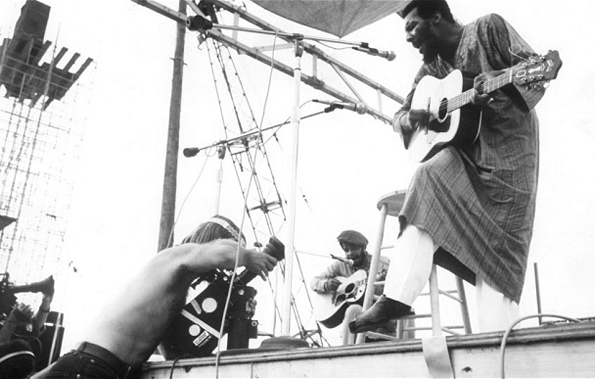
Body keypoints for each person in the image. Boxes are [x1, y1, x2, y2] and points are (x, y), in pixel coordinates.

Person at [350, 0, 540, 334]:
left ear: (436, 17)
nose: (408, 38)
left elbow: (536, 69)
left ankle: (497, 346)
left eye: (411, 27)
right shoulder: (431, 69)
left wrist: (500, 78)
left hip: (510, 157)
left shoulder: (487, 29)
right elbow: (399, 116)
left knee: (498, 260)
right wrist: (411, 117)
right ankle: (396, 298)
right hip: (466, 156)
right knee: (427, 175)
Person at [32, 215, 278, 379]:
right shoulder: (179, 255)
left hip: (95, 366)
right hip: (92, 367)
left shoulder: (172, 285)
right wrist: (247, 256)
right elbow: (222, 252)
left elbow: (176, 351)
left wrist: (226, 319)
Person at [311, 230, 389, 296]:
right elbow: (314, 282)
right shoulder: (339, 265)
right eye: (346, 250)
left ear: (363, 248)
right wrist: (326, 285)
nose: (350, 253)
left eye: (354, 249)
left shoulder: (382, 263)